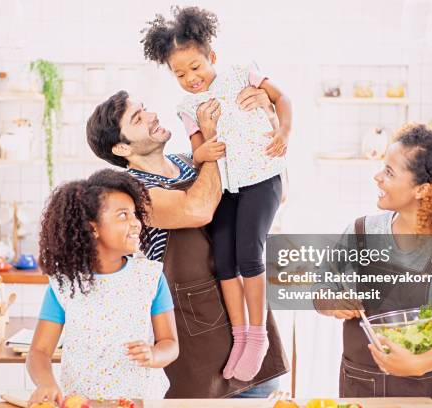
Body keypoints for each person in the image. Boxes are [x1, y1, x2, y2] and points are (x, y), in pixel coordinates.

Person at [86, 89, 289, 398]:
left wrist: (270, 119)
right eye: (138, 118)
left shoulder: (189, 160)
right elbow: (197, 209)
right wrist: (212, 142)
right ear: (121, 147)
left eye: (145, 108)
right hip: (198, 345)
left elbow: (274, 189)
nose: (152, 116)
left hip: (249, 327)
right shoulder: (135, 193)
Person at [141, 6, 292, 381]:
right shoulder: (186, 107)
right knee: (223, 258)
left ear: (212, 57)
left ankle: (257, 336)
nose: (190, 78)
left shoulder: (244, 74)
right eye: (180, 74)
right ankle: (240, 334)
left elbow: (283, 98)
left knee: (249, 255)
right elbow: (197, 153)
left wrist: (282, 129)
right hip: (226, 187)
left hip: (263, 179)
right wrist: (206, 139)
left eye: (195, 67)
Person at [313, 123, 432, 407]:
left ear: (423, 190)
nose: (377, 177)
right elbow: (321, 288)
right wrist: (332, 300)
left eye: (389, 172)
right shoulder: (361, 232)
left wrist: (420, 363)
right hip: (361, 391)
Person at [26, 169, 178, 405]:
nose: (136, 222)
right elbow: (39, 352)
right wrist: (46, 382)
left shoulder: (150, 277)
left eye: (134, 214)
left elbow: (170, 343)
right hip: (81, 401)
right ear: (93, 227)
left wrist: (154, 354)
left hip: (140, 399)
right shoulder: (65, 283)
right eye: (122, 215)